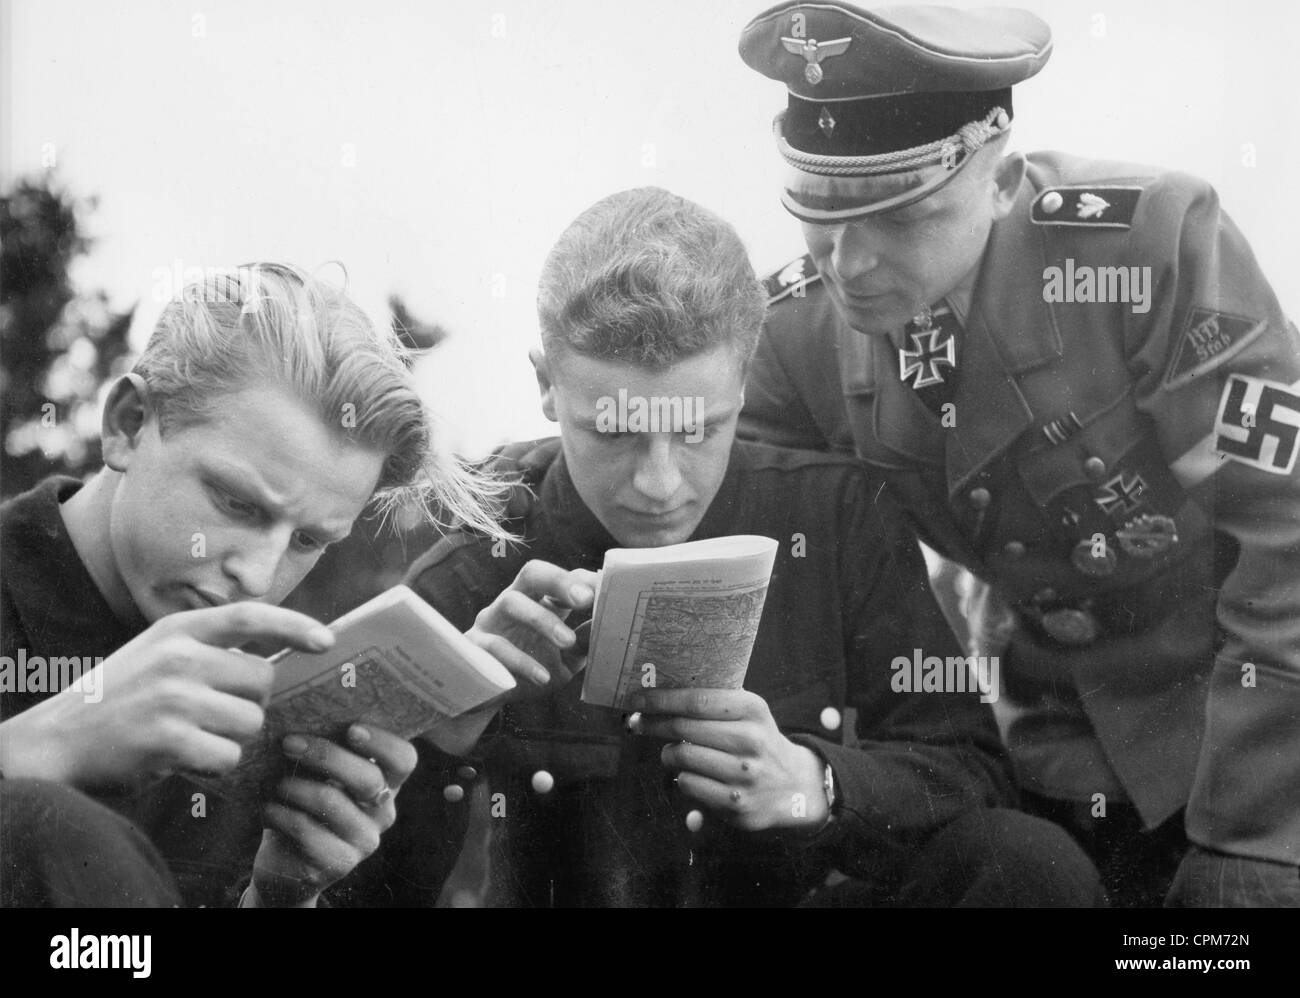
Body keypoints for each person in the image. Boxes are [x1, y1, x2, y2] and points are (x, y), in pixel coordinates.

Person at [357, 187, 1104, 908]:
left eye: (696, 430)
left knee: (1028, 866)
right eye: (613, 432)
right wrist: (444, 732)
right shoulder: (466, 573)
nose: (657, 483)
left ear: (744, 382)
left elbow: (973, 769)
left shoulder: (839, 514)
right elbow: (358, 894)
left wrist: (819, 782)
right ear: (548, 386)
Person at [733, 0, 1300, 907]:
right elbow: (762, 544)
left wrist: (1258, 837)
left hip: (1245, 731)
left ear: (1000, 180)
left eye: (901, 219)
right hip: (1044, 742)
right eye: (824, 216)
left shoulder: (1145, 247)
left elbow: (1290, 532)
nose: (851, 263)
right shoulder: (796, 338)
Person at [0, 262, 544, 908]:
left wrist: (278, 896)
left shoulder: (269, 711)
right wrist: (43, 745)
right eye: (236, 503)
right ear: (127, 423)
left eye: (308, 540)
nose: (257, 576)